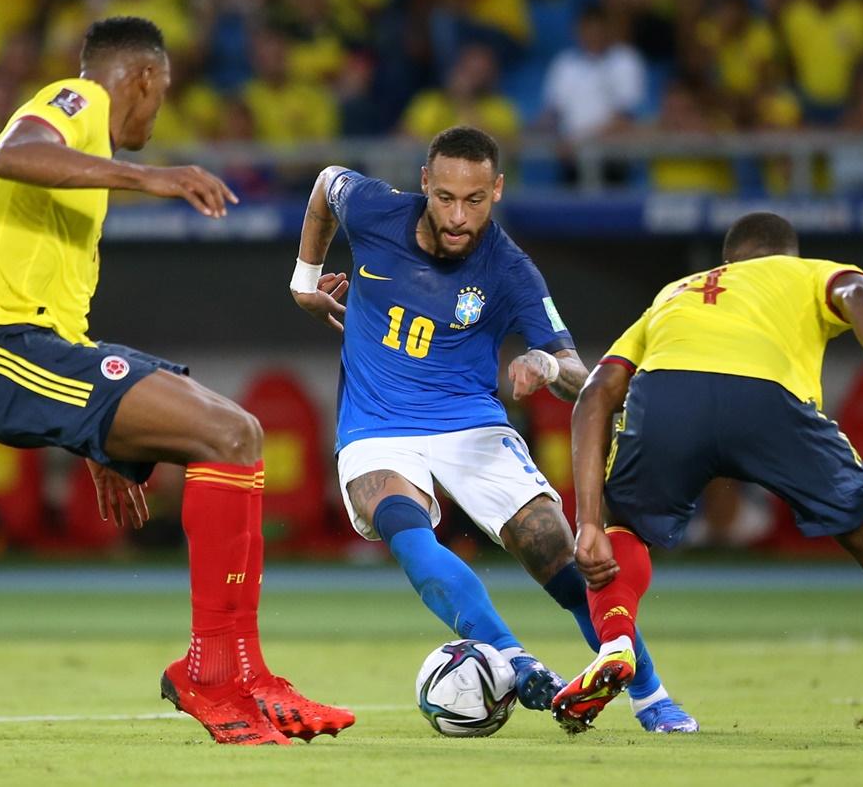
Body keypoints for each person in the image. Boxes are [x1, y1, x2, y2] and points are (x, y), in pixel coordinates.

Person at [0, 16, 353, 746]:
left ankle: (242, 669)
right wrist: (148, 178)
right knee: (226, 431)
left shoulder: (80, 192)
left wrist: (100, 444)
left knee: (236, 435)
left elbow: (58, 332)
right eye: (163, 95)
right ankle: (213, 671)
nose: (159, 115)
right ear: (146, 80)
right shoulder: (80, 100)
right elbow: (15, 156)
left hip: (31, 348)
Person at [553, 212, 863, 744]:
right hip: (767, 401)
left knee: (623, 528)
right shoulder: (806, 272)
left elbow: (597, 389)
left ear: (727, 264)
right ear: (789, 253)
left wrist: (590, 522)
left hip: (668, 396)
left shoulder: (676, 292)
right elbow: (861, 298)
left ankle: (617, 642)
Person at [289, 125, 696, 733]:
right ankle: (515, 659)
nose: (458, 216)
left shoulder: (509, 269)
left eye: (474, 200)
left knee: (555, 549)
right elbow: (325, 184)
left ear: (497, 191)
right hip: (377, 429)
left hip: (470, 424)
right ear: (424, 182)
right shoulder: (375, 210)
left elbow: (580, 375)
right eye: (446, 197)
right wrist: (303, 282)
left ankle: (650, 694)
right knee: (406, 528)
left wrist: (547, 363)